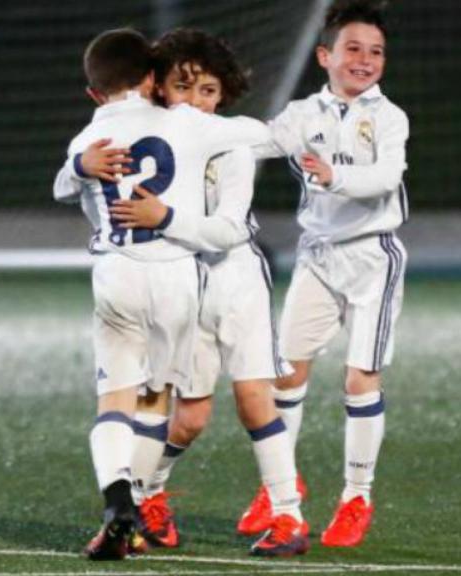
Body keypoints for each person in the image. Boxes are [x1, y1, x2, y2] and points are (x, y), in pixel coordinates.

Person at [52, 27, 270, 561]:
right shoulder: (185, 122)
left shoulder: (86, 141)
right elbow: (257, 132)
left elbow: (61, 185)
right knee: (155, 402)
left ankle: (118, 502)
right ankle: (139, 502)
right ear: (152, 79)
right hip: (175, 277)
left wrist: (80, 167)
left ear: (93, 93)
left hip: (117, 275)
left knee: (114, 405)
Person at [95, 28, 308, 557]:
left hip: (236, 282)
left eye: (208, 91)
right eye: (184, 87)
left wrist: (163, 216)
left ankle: (289, 518)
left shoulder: (230, 144)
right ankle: (148, 501)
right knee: (184, 416)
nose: (196, 101)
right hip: (182, 285)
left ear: (224, 95)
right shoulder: (147, 140)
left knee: (254, 400)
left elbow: (229, 229)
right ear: (158, 88)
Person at [249, 0, 410, 548]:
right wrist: (194, 133)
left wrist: (334, 174)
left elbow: (385, 178)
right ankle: (279, 489)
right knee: (285, 374)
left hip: (372, 258)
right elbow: (259, 140)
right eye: (354, 49)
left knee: (359, 379)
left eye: (376, 51)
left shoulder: (389, 117)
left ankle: (356, 497)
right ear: (326, 56)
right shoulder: (302, 115)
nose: (366, 60)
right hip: (317, 256)